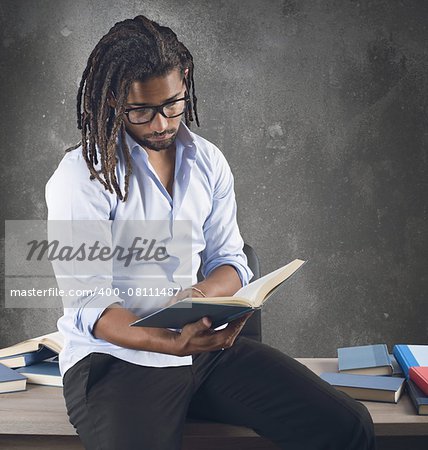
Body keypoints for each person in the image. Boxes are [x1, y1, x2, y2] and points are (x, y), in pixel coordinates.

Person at [45, 14, 376, 450]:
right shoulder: (82, 177)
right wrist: (168, 341)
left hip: (201, 350)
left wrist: (199, 299)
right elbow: (92, 306)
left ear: (184, 82)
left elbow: (231, 260)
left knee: (348, 426)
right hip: (117, 360)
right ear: (111, 98)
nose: (161, 123)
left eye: (173, 105)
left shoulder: (209, 162)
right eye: (141, 110)